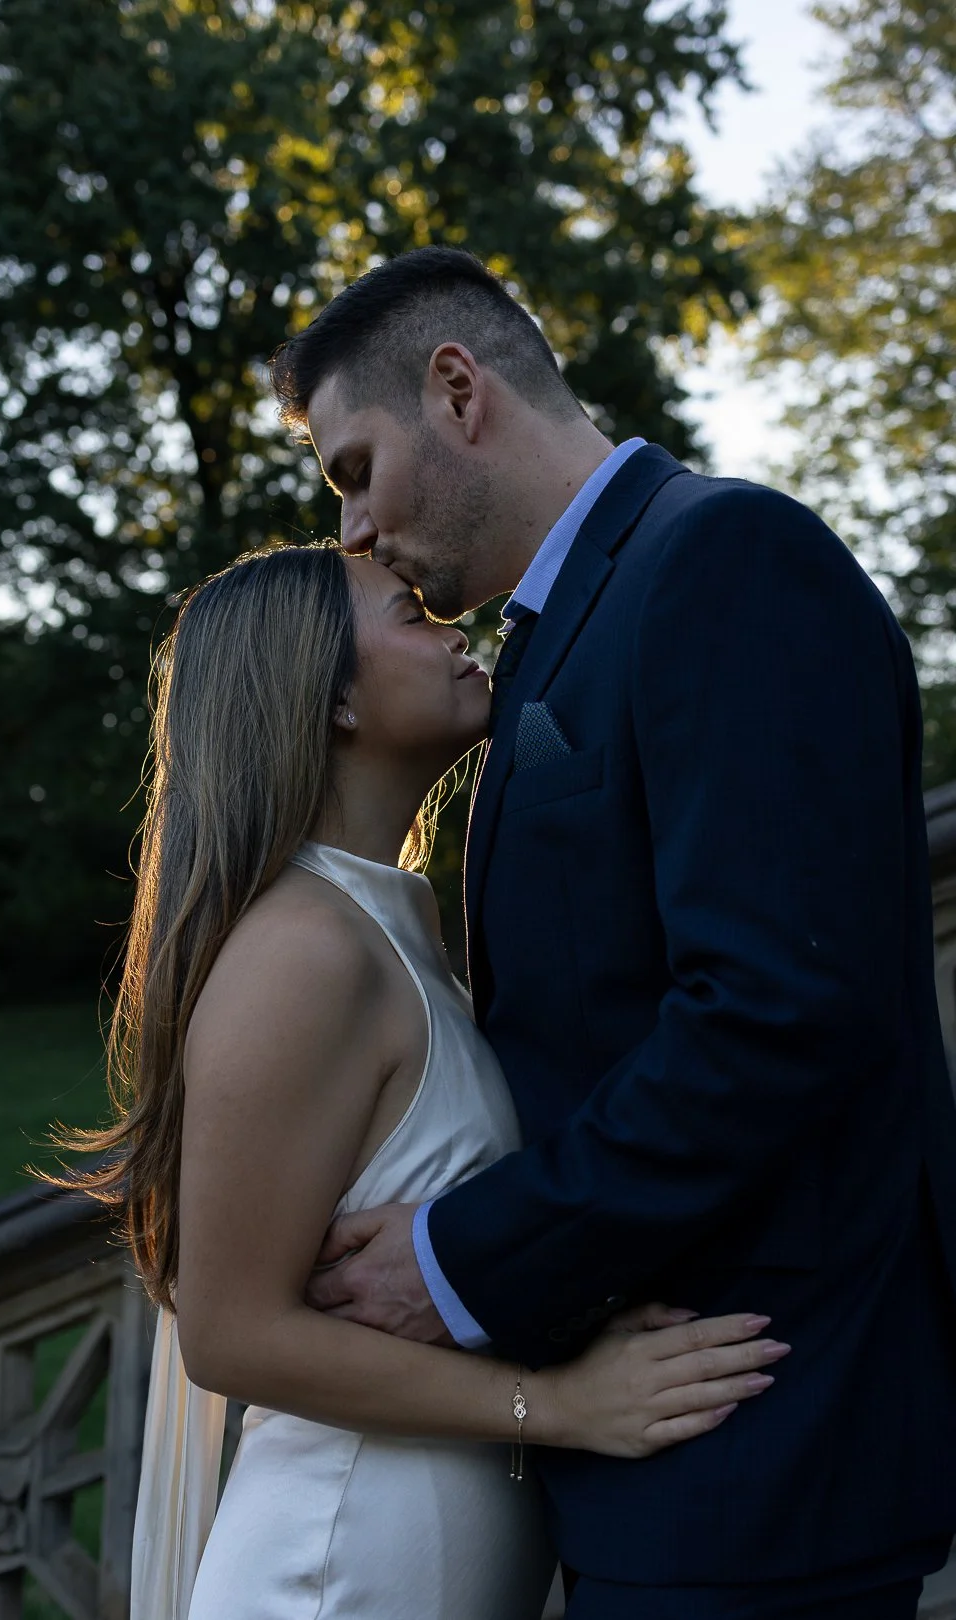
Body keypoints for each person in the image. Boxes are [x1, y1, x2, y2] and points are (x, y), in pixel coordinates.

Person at [271, 246, 956, 1619]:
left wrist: (464, 1259)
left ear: (457, 389)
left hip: (761, 1434)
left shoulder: (724, 560)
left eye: (354, 468)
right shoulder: (563, 631)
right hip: (650, 1451)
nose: (348, 529)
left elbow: (773, 1013)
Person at [62, 543, 784, 1620]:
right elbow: (231, 1333)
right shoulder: (302, 950)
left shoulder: (384, 920)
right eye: (410, 614)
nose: (454, 628)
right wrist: (564, 1405)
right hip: (335, 1572)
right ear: (334, 697)